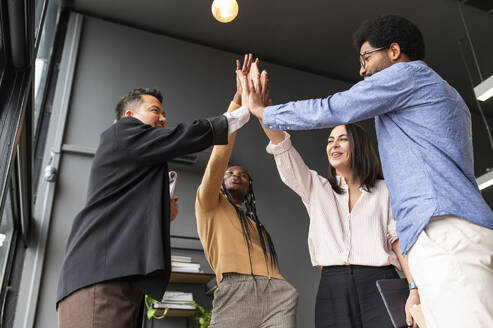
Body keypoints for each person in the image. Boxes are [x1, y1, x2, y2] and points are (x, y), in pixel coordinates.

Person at [244, 15, 493, 328]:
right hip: (449, 232)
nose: (361, 69)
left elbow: (334, 108)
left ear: (394, 51)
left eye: (366, 57)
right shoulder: (445, 94)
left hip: (443, 231)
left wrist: (265, 111)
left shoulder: (409, 76)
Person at [57, 86, 249, 327]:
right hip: (101, 278)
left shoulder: (136, 155)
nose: (163, 118)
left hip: (116, 279)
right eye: (154, 110)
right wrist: (241, 112)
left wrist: (161, 211)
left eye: (163, 112)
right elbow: (181, 136)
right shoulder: (121, 132)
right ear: (129, 116)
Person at [195, 58, 299, 328]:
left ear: (250, 185)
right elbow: (220, 156)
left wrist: (263, 109)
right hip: (234, 290)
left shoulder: (254, 223)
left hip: (278, 292)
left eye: (242, 175)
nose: (236, 176)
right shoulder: (208, 204)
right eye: (230, 173)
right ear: (220, 181)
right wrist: (239, 102)